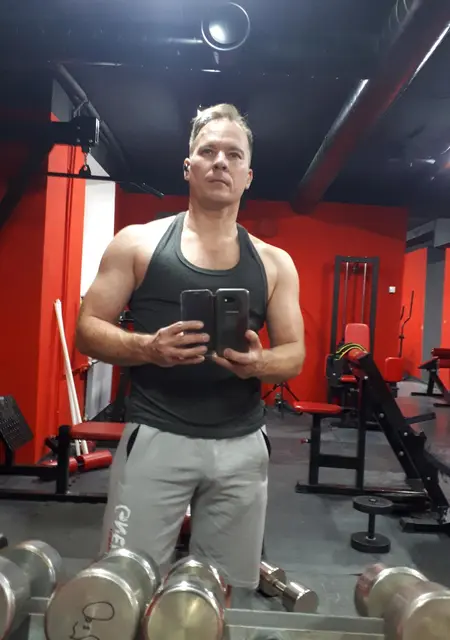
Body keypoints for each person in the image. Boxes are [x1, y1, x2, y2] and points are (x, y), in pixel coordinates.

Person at [76, 103, 305, 595]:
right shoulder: (137, 243)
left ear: (248, 176)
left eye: (233, 155)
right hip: (157, 435)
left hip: (242, 445)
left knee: (221, 592)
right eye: (208, 151)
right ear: (188, 167)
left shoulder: (275, 262)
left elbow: (295, 355)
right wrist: (148, 347)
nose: (220, 161)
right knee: (125, 585)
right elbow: (87, 329)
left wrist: (258, 363)